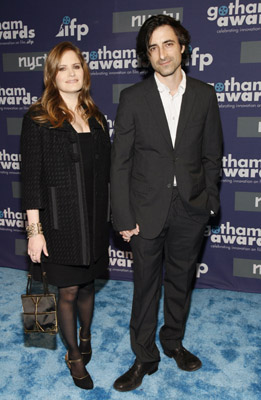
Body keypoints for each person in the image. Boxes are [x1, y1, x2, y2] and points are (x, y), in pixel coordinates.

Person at [111, 15, 223, 392]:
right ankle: (145, 356)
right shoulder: (133, 98)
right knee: (145, 287)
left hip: (191, 208)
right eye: (153, 47)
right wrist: (123, 215)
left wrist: (208, 201)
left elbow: (212, 155)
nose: (162, 53)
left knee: (180, 282)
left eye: (168, 44)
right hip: (145, 211)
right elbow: (121, 162)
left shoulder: (205, 95)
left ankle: (172, 341)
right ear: (147, 55)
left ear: (183, 47)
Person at [20, 41, 111, 390]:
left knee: (88, 286)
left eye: (77, 66)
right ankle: (73, 355)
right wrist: (34, 230)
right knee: (68, 291)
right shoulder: (38, 118)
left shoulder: (96, 117)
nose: (71, 73)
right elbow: (31, 180)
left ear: (84, 72)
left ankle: (86, 336)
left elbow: (107, 171)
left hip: (94, 221)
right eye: (63, 68)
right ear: (52, 74)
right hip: (59, 223)